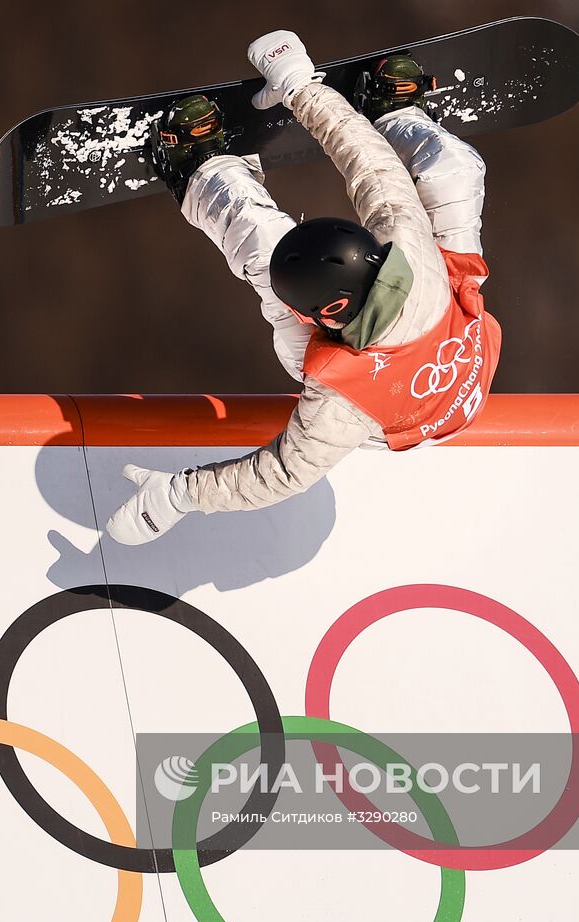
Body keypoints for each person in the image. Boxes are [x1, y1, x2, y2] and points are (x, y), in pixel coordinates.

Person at [106, 29, 500, 546]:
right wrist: (298, 84)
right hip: (449, 313)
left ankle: (202, 171)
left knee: (264, 250)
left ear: (327, 315)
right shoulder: (405, 235)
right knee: (455, 170)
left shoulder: (338, 405)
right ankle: (396, 114)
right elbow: (361, 153)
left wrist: (178, 496)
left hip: (394, 417)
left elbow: (282, 475)